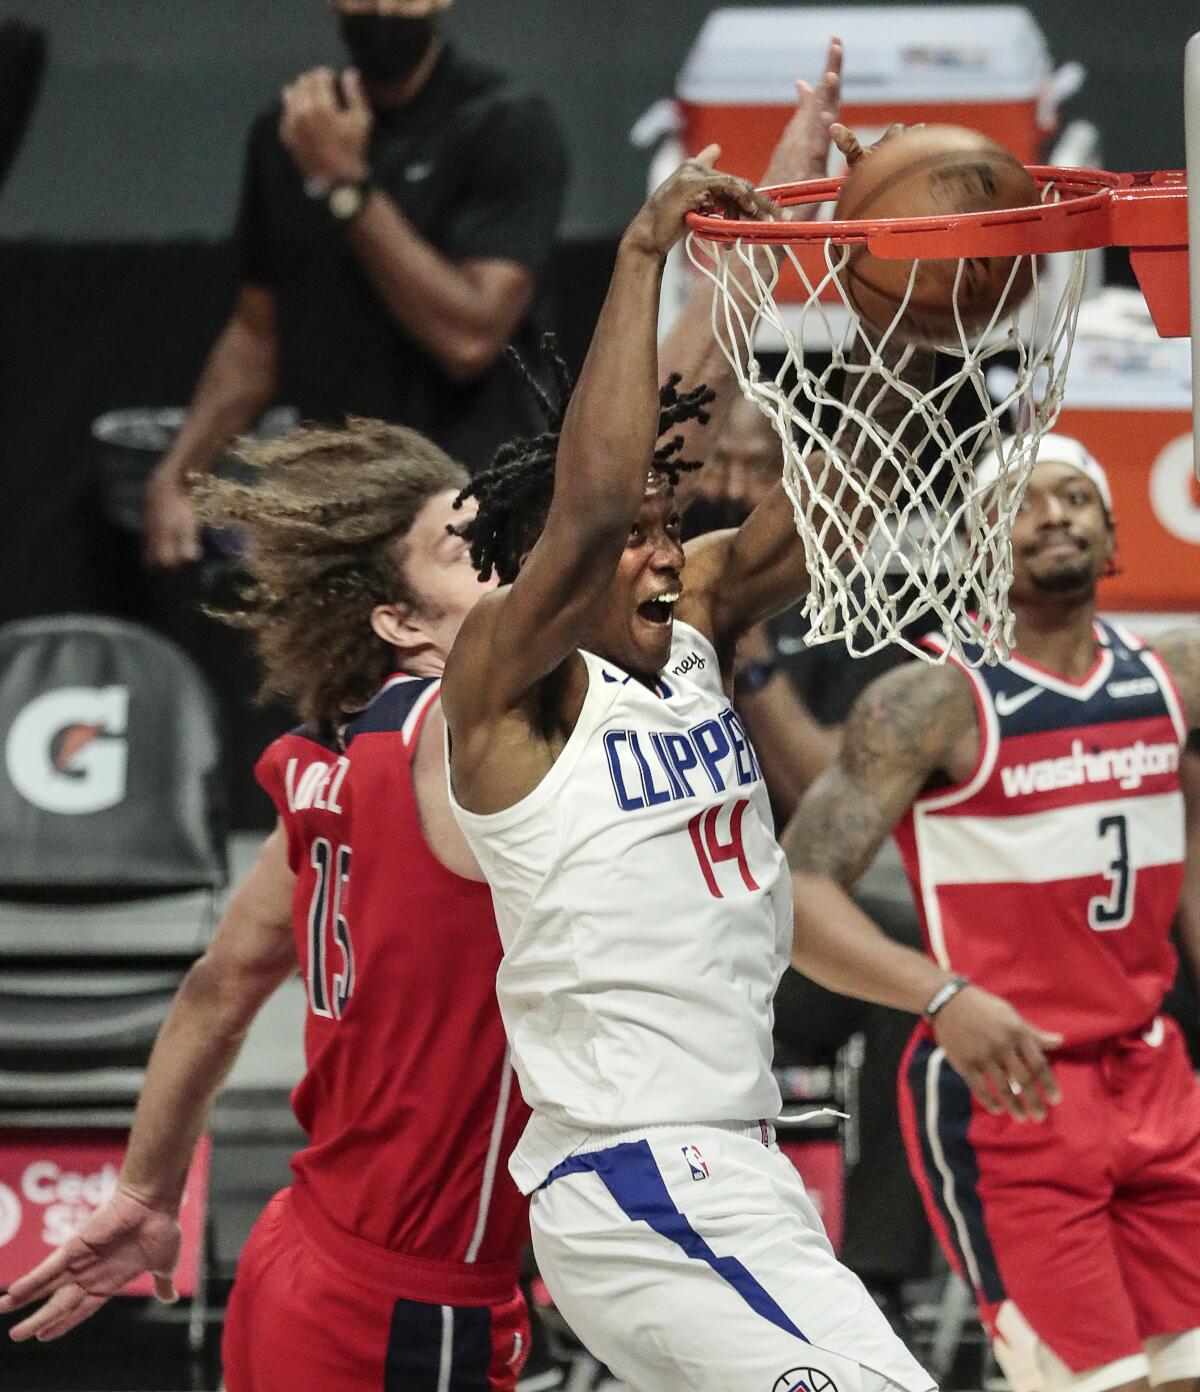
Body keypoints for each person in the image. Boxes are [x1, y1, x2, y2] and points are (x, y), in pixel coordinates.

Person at [440, 142, 936, 1392]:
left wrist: (920, 299)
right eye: (638, 540)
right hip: (634, 1177)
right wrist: (643, 254)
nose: (664, 556)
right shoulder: (510, 686)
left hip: (737, 1164)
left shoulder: (699, 628)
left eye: (677, 531)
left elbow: (856, 490)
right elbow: (595, 507)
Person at [0, 422, 532, 1390]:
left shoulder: (329, 761)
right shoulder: (457, 738)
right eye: (469, 550)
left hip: (303, 1252)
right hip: (407, 1294)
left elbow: (220, 986)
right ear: (402, 622)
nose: (514, 568)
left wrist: (144, 1193)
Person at [781, 433, 1200, 1392]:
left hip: (1154, 1075)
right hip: (1013, 1085)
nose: (1054, 514)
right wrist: (940, 995)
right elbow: (796, 893)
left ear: (1114, 530)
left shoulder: (1175, 678)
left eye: (1075, 497)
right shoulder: (931, 700)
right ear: (974, 542)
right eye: (1022, 502)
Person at [145, 0, 568, 568]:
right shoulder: (288, 134)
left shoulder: (505, 123)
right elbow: (257, 333)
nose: (382, 9)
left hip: (475, 507)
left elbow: (469, 339)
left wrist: (345, 185)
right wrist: (179, 472)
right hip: (338, 511)